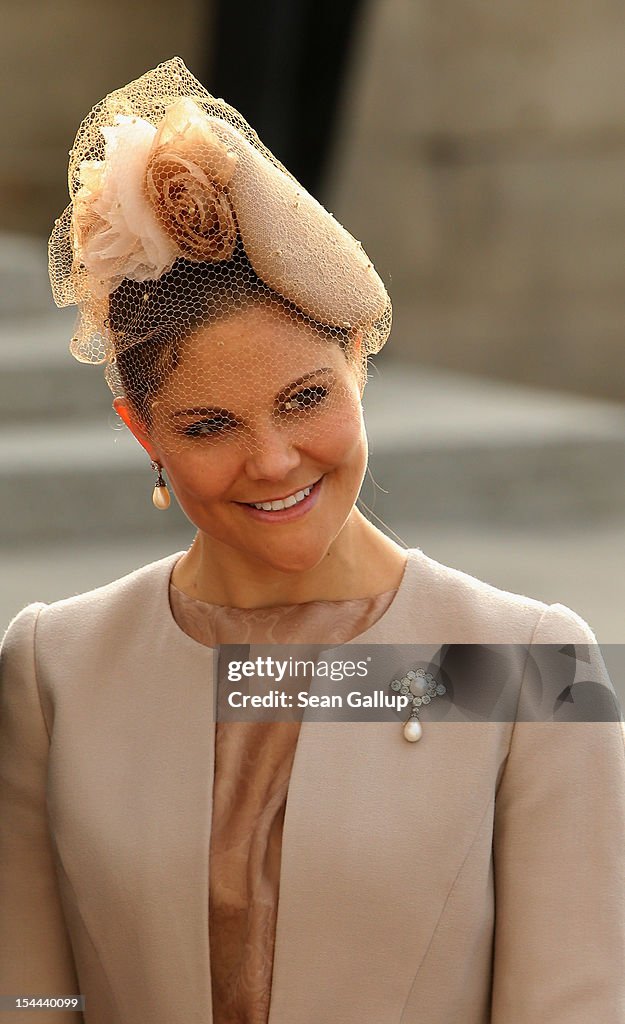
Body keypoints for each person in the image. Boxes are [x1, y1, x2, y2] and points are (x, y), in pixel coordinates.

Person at [1, 57, 624, 1024]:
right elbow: (30, 998)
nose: (275, 460)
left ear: (357, 367)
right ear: (142, 434)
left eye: (306, 399)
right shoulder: (50, 669)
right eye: (210, 425)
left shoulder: (533, 664)